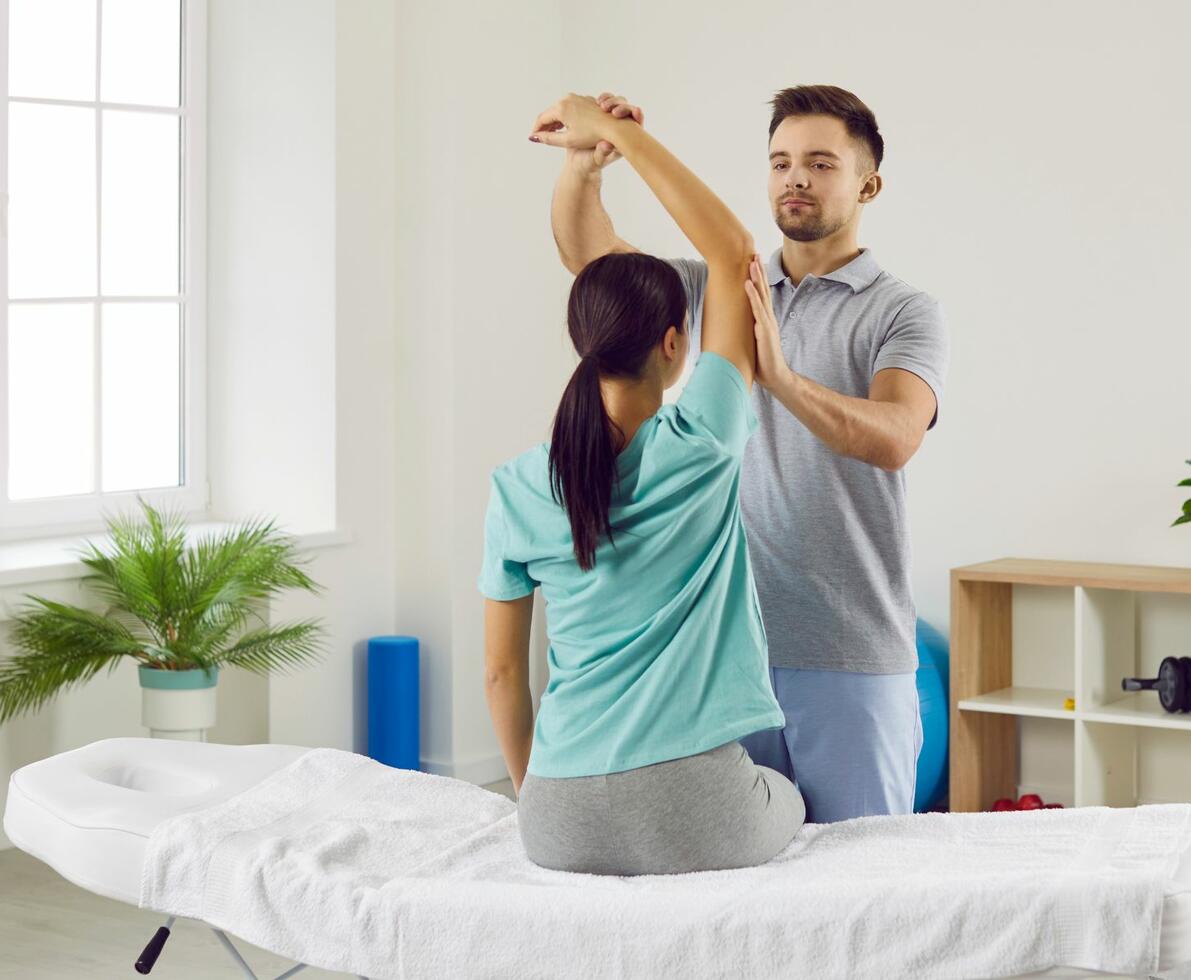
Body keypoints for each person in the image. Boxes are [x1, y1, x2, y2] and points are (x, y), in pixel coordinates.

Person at [549, 86, 949, 824]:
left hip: (849, 653)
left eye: (819, 163)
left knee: (865, 890)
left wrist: (781, 380)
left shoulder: (901, 310)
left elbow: (895, 437)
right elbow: (591, 258)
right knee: (740, 892)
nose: (794, 178)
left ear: (867, 184)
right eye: (780, 162)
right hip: (724, 652)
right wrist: (585, 165)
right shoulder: (721, 289)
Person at [478, 93, 805, 876]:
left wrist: (581, 164)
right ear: (672, 344)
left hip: (555, 815)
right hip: (698, 807)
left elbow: (499, 674)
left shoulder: (518, 486)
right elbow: (732, 253)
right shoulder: (703, 439)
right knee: (789, 797)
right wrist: (616, 132)